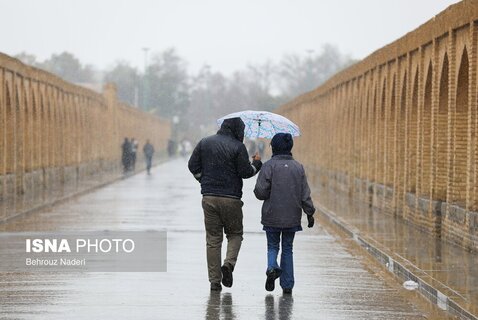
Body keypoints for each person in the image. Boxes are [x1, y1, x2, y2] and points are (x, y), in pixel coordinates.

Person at [188, 117, 263, 291]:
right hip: (231, 198)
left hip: (209, 198)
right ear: (238, 130)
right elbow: (245, 172)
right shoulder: (238, 147)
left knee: (213, 239)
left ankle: (214, 281)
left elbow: (193, 165)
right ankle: (228, 265)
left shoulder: (204, 143)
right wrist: (257, 164)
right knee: (235, 234)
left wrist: (203, 181)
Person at [253, 133, 315, 295]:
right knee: (288, 248)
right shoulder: (298, 167)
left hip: (271, 215)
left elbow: (260, 193)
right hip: (292, 217)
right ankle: (287, 284)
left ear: (274, 147)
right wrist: (310, 213)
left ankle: (272, 267)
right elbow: (304, 194)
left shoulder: (268, 166)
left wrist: (258, 169)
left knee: (273, 246)